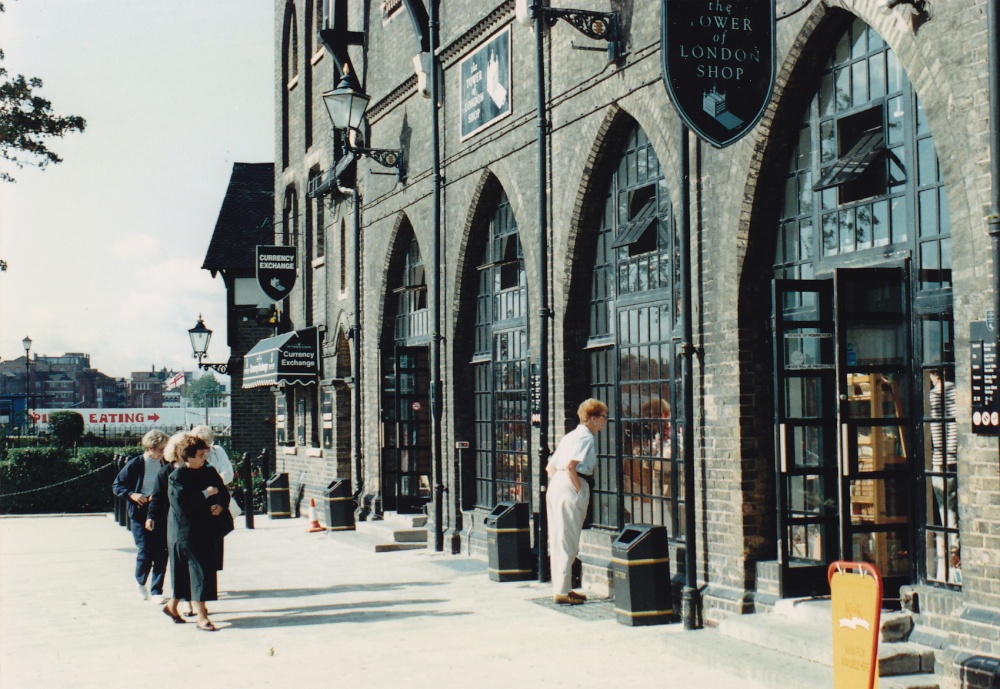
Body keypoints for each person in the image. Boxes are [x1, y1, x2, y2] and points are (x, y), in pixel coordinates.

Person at [163, 434, 230, 631]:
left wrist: (220, 505)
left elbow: (223, 492)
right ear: (187, 456)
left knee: (199, 570)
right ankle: (202, 616)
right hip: (184, 531)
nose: (204, 458)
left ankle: (171, 606)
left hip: (206, 528)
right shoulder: (176, 477)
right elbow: (183, 505)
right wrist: (205, 494)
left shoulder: (208, 471)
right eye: (200, 455)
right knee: (195, 570)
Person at [546, 398, 609, 605]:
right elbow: (572, 466)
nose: (604, 421)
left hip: (557, 484)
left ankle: (561, 587)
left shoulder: (569, 436)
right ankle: (562, 592)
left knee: (558, 537)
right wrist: (579, 490)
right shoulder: (586, 438)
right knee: (569, 538)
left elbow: (550, 467)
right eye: (603, 417)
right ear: (592, 418)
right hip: (572, 484)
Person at [112, 429, 171, 603]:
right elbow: (117, 485)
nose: (163, 452)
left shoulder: (166, 465)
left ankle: (156, 591)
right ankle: (140, 582)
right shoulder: (136, 463)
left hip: (160, 510)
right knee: (145, 550)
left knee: (161, 551)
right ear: (151, 447)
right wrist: (132, 494)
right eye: (161, 449)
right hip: (140, 512)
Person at [148, 431, 192, 616]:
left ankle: (191, 600)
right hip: (172, 521)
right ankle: (182, 600)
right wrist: (151, 516)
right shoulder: (165, 472)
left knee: (192, 562)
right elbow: (157, 497)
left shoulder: (197, 469)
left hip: (194, 521)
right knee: (177, 561)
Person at [928, 369, 959, 581]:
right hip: (954, 458)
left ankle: (953, 550)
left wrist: (942, 455)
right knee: (952, 504)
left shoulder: (935, 394)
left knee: (945, 506)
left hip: (941, 460)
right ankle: (954, 549)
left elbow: (937, 431)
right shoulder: (957, 392)